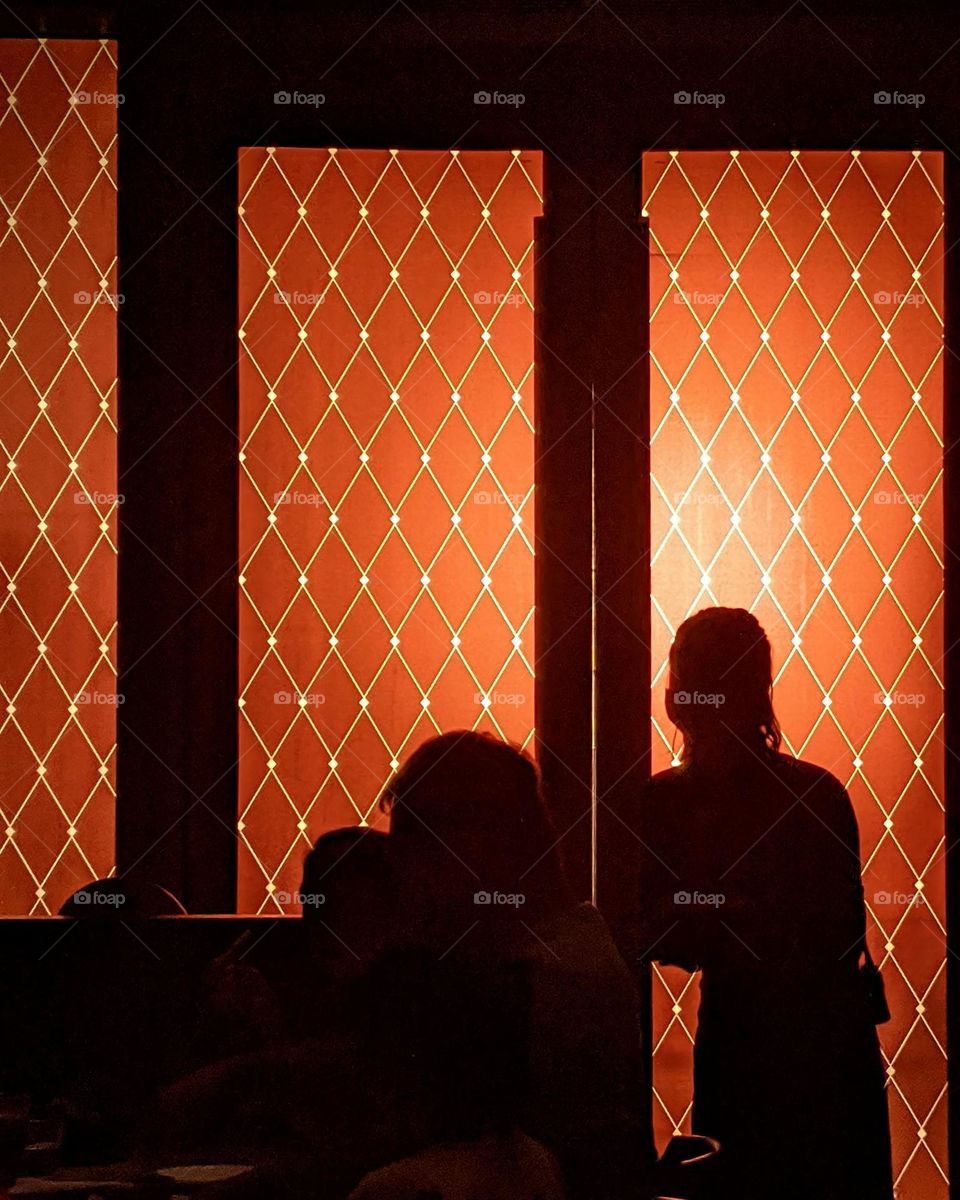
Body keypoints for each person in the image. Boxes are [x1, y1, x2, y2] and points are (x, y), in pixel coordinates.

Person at [635, 607, 893, 1199]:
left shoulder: (663, 805)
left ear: (676, 702)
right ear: (762, 690)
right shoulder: (819, 795)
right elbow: (839, 932)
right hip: (832, 1055)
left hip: (741, 1049)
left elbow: (658, 931)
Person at [382, 731, 654, 1200]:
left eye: (415, 843)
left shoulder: (530, 979)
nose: (405, 871)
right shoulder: (570, 947)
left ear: (470, 846)